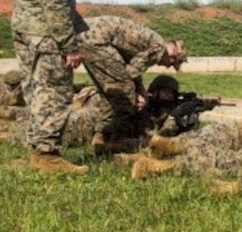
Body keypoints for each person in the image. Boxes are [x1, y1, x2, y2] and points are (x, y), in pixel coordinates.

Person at [11, 0, 103, 175]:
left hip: (25, 26)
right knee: (54, 93)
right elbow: (55, 2)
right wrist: (69, 45)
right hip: (46, 32)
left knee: (35, 90)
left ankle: (37, 149)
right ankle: (47, 156)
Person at [77, 15, 186, 153]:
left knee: (110, 92)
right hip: (98, 41)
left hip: (85, 35)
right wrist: (138, 93)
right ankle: (117, 141)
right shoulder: (159, 49)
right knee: (124, 91)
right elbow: (130, 73)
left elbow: (131, 66)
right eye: (171, 64)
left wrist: (141, 90)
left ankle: (101, 137)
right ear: (173, 55)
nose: (166, 66)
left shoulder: (154, 43)